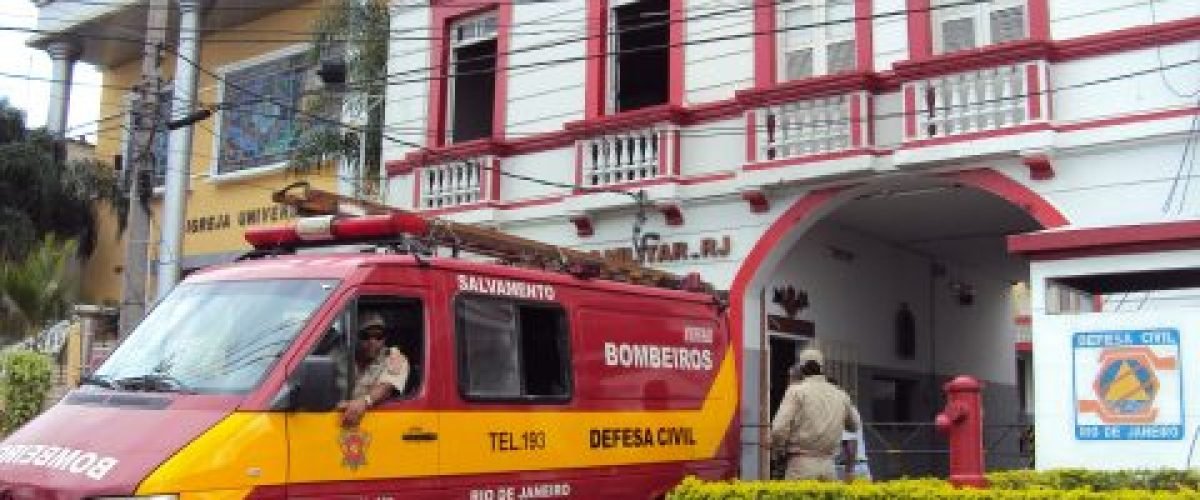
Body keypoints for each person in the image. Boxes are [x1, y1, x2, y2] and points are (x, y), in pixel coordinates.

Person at [770, 348, 859, 481]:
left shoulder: (796, 391)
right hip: (829, 467)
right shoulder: (841, 394)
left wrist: (778, 450)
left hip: (801, 465)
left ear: (801, 368)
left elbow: (778, 429)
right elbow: (854, 426)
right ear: (822, 368)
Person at [336, 311, 409, 427]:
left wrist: (365, 401)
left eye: (378, 336)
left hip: (376, 425)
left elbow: (386, 387)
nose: (372, 342)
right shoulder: (339, 355)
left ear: (385, 339)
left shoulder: (394, 358)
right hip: (333, 418)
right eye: (365, 336)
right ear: (355, 337)